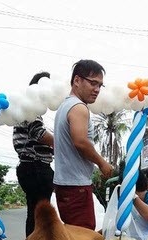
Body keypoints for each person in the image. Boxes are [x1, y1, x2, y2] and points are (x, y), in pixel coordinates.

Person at [53, 59, 114, 230]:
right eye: (93, 83)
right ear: (77, 81)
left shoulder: (65, 106)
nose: (97, 89)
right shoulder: (78, 107)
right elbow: (80, 141)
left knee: (74, 237)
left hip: (66, 185)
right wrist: (102, 163)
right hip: (76, 187)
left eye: (100, 85)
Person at [13, 72, 54, 237]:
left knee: (34, 213)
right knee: (41, 214)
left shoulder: (24, 109)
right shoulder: (30, 109)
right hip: (36, 167)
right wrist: (61, 144)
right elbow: (39, 133)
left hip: (29, 167)